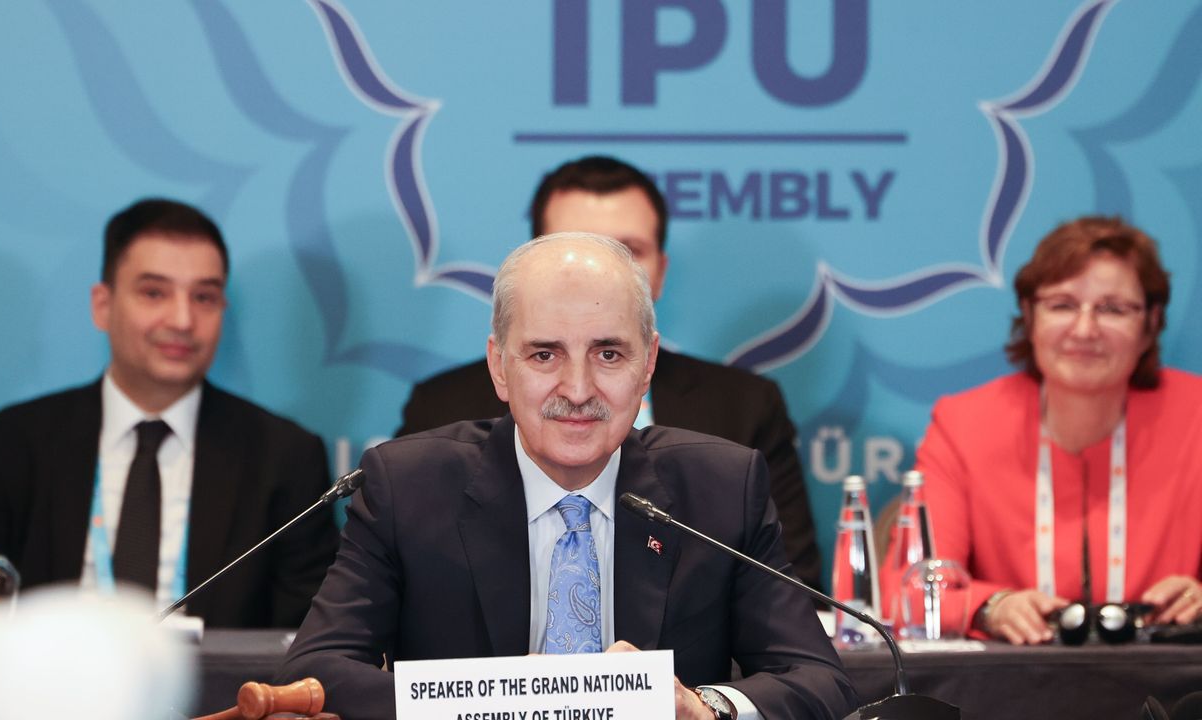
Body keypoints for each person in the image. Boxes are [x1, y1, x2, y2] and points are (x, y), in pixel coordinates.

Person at [280, 233, 856, 720]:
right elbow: (313, 672)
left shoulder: (722, 489)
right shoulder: (409, 486)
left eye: (608, 354)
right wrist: (492, 699)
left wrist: (703, 707)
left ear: (648, 365)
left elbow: (819, 681)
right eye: (544, 355)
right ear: (498, 366)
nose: (578, 390)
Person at [397, 155, 822, 590]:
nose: (596, 269)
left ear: (660, 271)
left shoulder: (744, 410)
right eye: (574, 247)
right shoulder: (441, 409)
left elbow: (794, 593)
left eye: (628, 251)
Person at [0, 198, 338, 628]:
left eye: (204, 297)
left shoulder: (285, 457)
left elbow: (307, 635)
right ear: (102, 305)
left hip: (216, 675)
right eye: (154, 293)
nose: (182, 320)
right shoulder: (10, 443)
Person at [909, 216, 1202, 645]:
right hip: (1015, 678)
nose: (1085, 330)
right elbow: (913, 587)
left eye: (1113, 309)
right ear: (1030, 316)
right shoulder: (963, 424)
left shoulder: (1196, 416)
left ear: (1150, 324)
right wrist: (991, 606)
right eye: (1062, 305)